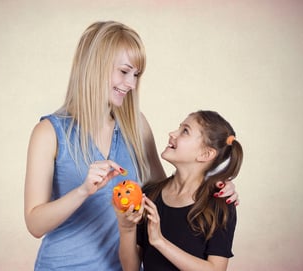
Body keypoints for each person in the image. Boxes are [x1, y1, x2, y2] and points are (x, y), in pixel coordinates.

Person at [24, 21, 238, 271]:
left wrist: (215, 184)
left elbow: (164, 194)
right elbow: (35, 225)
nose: (132, 84)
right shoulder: (48, 133)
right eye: (124, 72)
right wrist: (83, 190)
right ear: (96, 67)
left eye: (136, 75)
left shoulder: (135, 125)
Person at [115, 110, 243, 271]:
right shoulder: (150, 194)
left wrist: (160, 242)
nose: (172, 133)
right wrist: (126, 228)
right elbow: (131, 268)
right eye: (179, 128)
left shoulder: (219, 204)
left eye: (185, 131)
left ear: (206, 154)